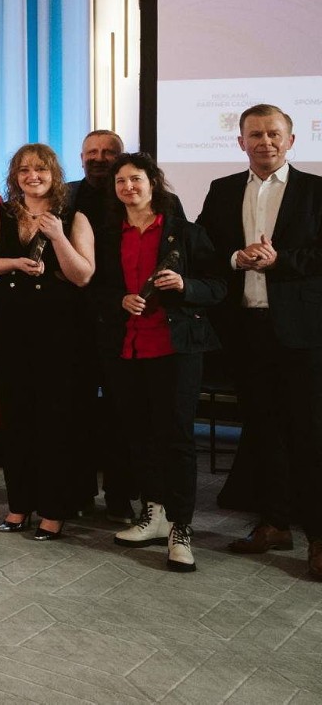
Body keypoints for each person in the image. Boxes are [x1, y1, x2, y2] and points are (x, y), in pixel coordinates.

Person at [197, 104, 322, 579]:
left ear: (291, 140)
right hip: (245, 329)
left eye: (273, 134)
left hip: (302, 332)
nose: (264, 142)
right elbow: (204, 249)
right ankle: (274, 524)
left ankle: (318, 537)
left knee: (309, 434)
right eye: (255, 135)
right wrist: (236, 258)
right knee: (263, 430)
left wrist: (278, 261)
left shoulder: (316, 191)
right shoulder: (223, 189)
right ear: (240, 142)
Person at [97, 153, 224, 572]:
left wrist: (185, 284)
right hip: (128, 348)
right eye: (121, 181)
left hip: (176, 347)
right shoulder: (108, 235)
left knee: (177, 439)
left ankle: (180, 528)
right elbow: (97, 289)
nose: (128, 187)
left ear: (153, 182)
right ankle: (153, 514)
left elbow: (218, 286)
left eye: (136, 179)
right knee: (139, 435)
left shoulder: (184, 232)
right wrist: (119, 299)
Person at [0, 144, 95, 540]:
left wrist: (58, 238)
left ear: (54, 174)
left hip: (60, 332)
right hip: (11, 328)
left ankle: (54, 510)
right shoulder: (1, 213)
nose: (32, 176)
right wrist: (13, 263)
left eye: (40, 169)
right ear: (15, 176)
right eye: (24, 170)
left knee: (55, 421)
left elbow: (83, 275)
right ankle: (19, 505)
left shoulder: (73, 217)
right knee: (16, 418)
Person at [66, 128, 133, 521]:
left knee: (122, 411)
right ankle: (78, 491)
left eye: (109, 152)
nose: (99, 158)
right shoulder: (65, 196)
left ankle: (120, 495)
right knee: (75, 409)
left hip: (124, 320)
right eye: (91, 152)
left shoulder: (140, 195)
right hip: (72, 321)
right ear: (81, 157)